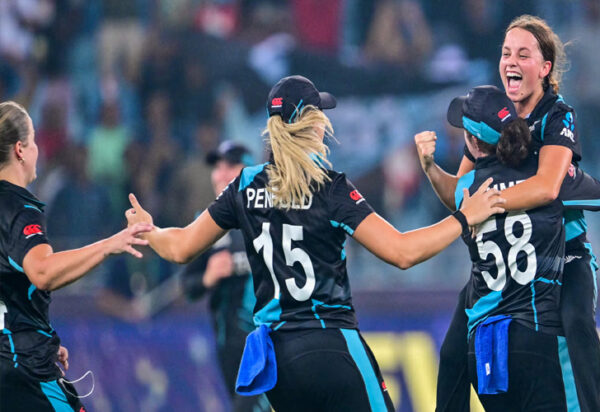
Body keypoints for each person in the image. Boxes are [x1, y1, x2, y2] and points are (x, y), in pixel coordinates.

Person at [125, 75, 506, 412]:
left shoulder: (245, 185)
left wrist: (151, 230)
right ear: (314, 125)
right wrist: (462, 218)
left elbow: (180, 248)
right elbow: (402, 253)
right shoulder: (330, 187)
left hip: (279, 365)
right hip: (331, 344)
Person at [414, 15, 600, 412]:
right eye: (506, 53)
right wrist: (431, 168)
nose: (511, 62)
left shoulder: (557, 115)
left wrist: (491, 202)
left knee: (577, 324)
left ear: (545, 68)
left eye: (523, 54)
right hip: (502, 260)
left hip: (562, 254)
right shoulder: (494, 116)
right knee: (453, 351)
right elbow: (461, 197)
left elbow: (546, 187)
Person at [447, 85, 600, 410]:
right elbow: (597, 195)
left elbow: (456, 200)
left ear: (474, 143)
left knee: (452, 352)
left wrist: (491, 203)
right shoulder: (545, 173)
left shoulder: (468, 188)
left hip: (510, 298)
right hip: (535, 298)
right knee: (578, 326)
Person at [0, 101, 153, 411]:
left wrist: (39, 334)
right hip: (25, 368)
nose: (38, 152)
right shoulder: (20, 208)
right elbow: (41, 271)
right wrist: (110, 244)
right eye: (34, 143)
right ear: (20, 149)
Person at [180, 140, 270, 412]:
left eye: (230, 166)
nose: (220, 174)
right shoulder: (204, 224)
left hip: (265, 339)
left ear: (249, 170)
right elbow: (188, 287)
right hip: (227, 344)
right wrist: (208, 277)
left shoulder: (268, 216)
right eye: (217, 167)